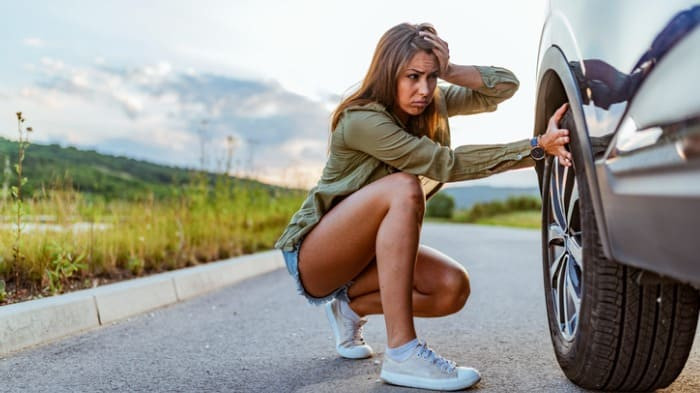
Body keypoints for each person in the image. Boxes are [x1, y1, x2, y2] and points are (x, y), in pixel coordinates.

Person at [274, 22, 572, 391]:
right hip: (317, 255)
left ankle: (350, 306)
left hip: (365, 258)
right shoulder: (363, 120)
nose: (424, 89)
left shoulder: (432, 100)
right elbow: (444, 163)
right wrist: (535, 148)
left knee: (451, 286)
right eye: (412, 76)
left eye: (431, 77)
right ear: (388, 72)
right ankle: (402, 354)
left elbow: (505, 87)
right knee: (403, 187)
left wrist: (451, 71)